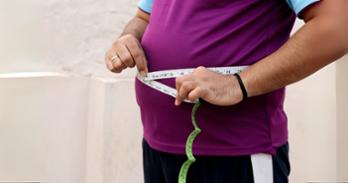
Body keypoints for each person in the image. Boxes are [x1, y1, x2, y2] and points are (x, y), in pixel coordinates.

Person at [105, 0, 348, 182]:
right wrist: (128, 37)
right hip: (157, 147)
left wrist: (237, 84)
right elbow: (144, 18)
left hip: (234, 152)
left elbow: (339, 26)